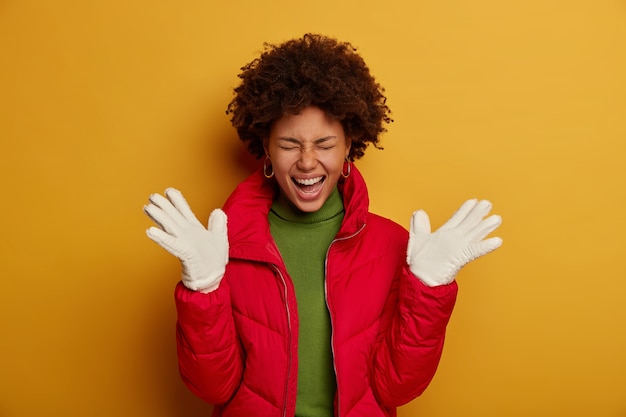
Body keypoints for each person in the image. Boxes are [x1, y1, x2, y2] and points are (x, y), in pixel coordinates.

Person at [143, 33, 502, 417]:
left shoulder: (393, 245)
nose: (308, 162)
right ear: (265, 145)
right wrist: (202, 292)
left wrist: (429, 291)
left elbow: (397, 388)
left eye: (325, 144)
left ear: (350, 143)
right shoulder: (219, 247)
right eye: (289, 144)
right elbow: (212, 386)